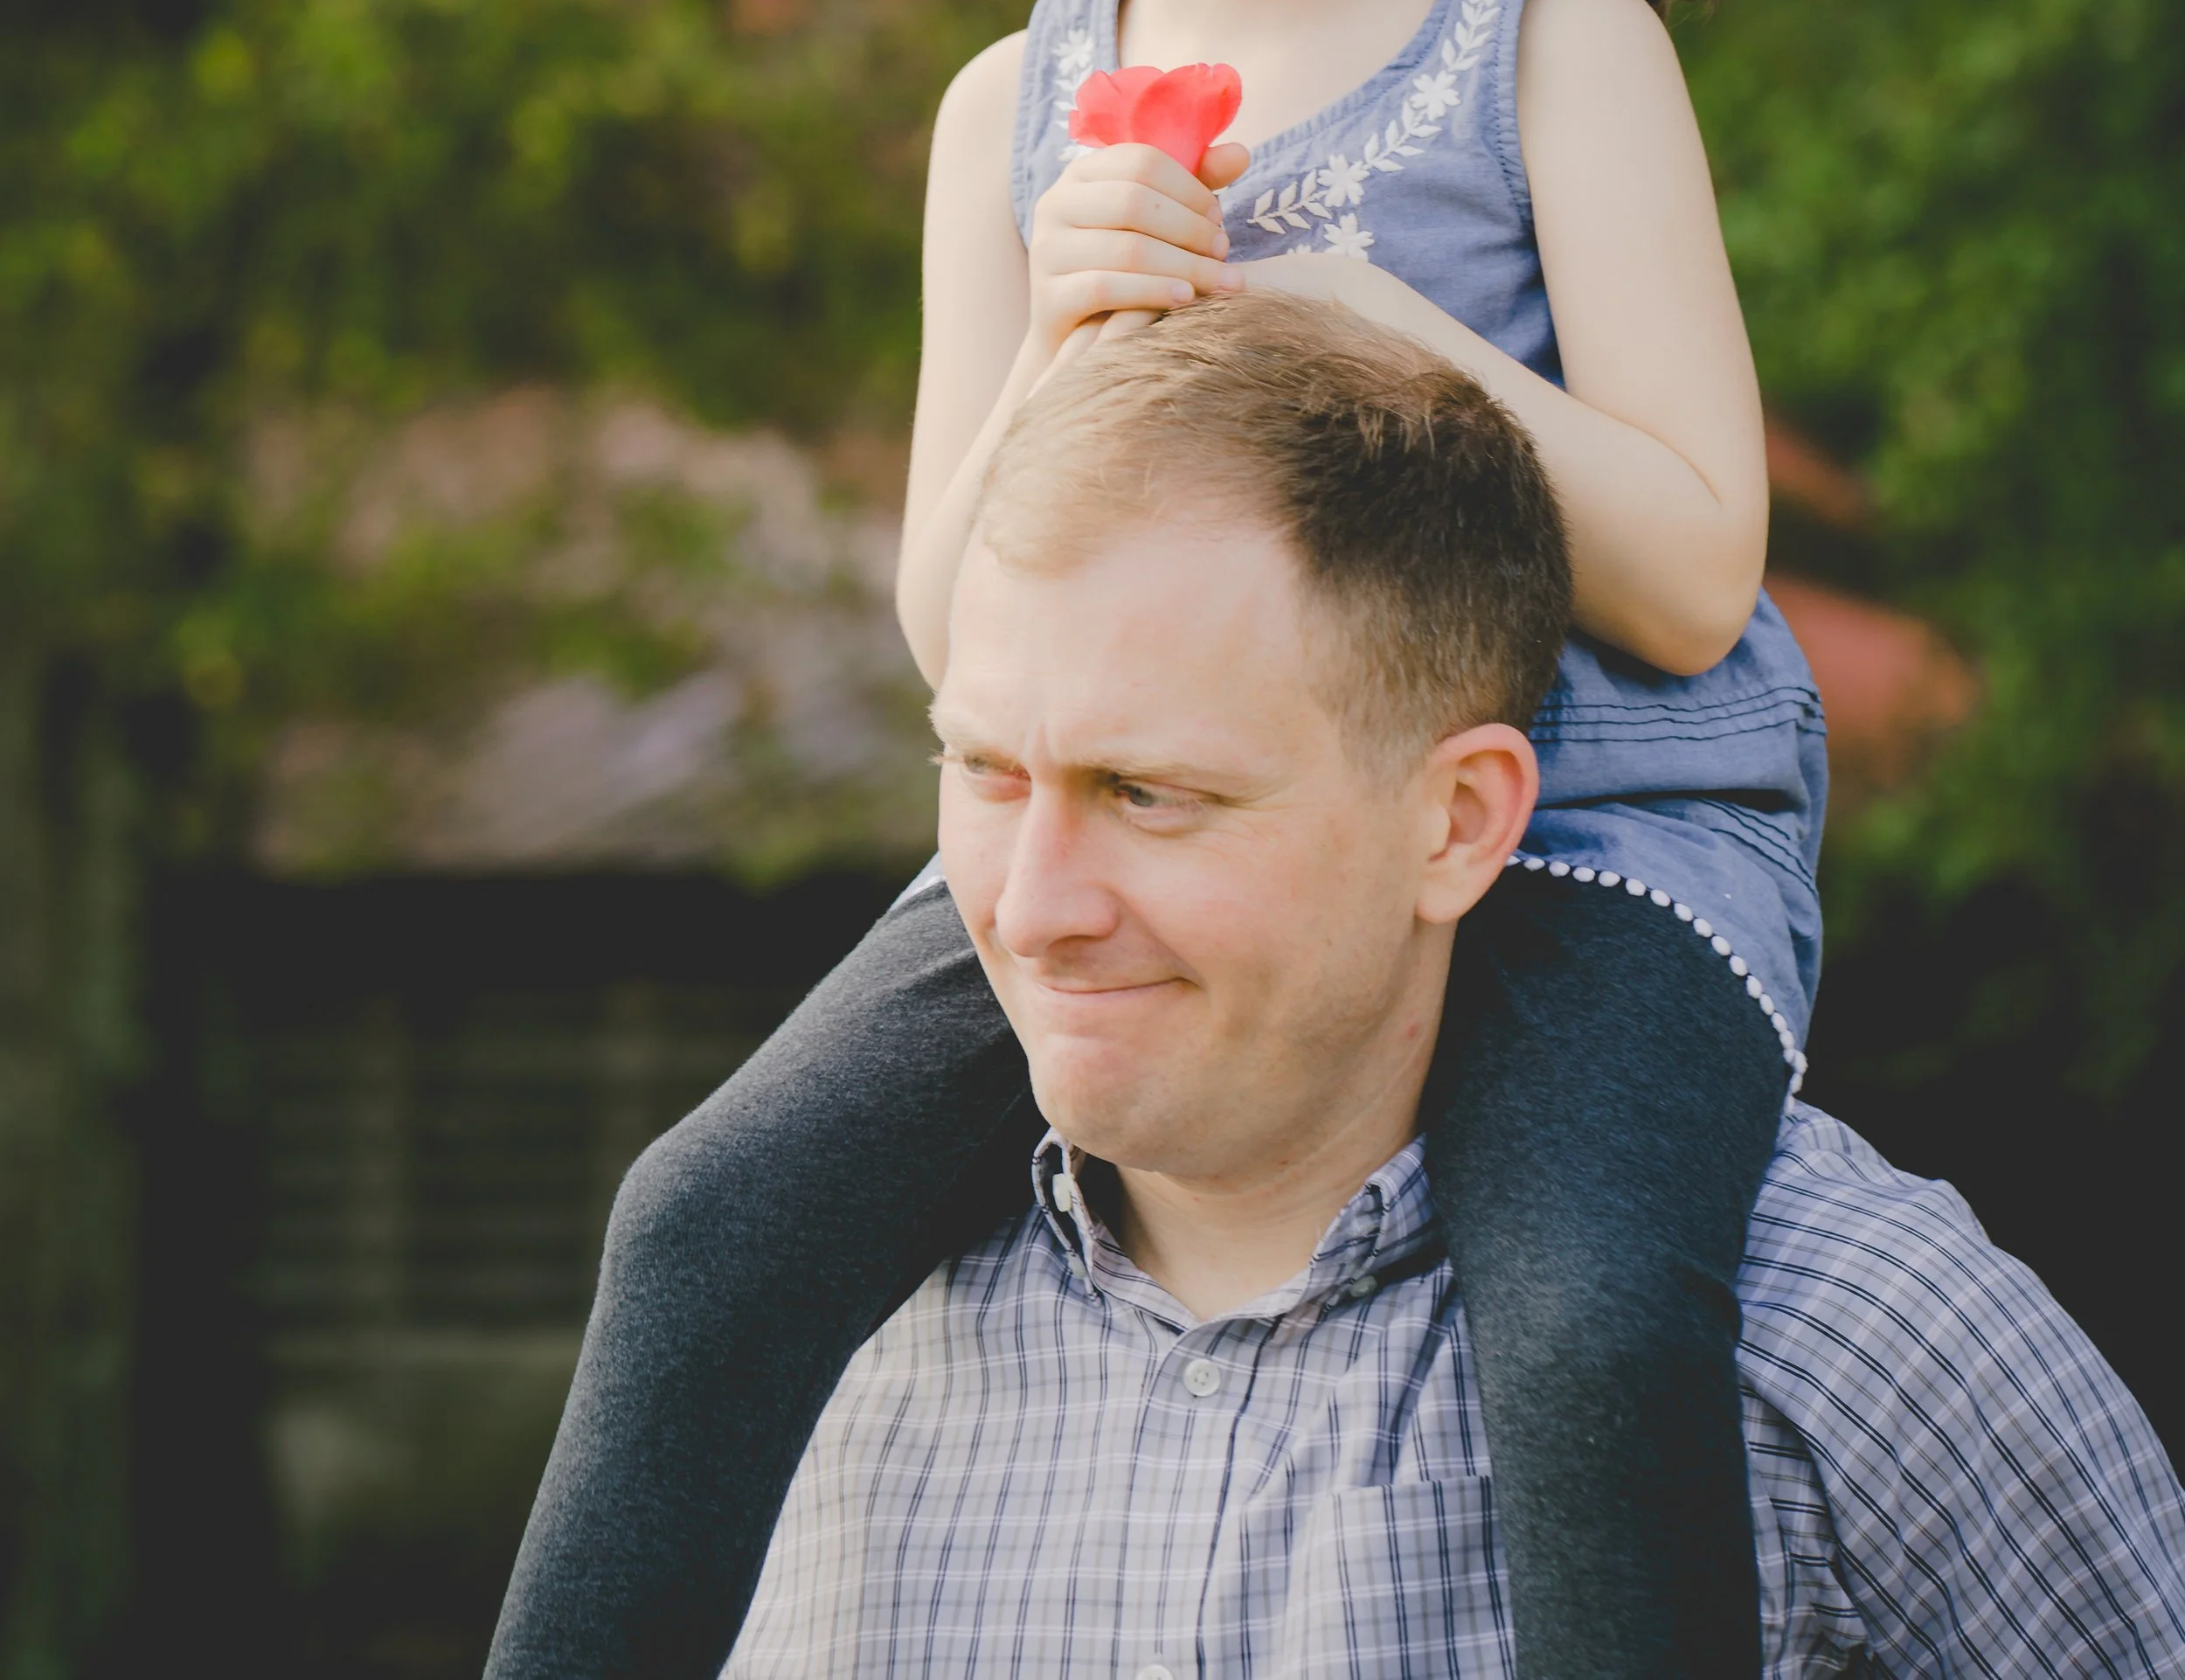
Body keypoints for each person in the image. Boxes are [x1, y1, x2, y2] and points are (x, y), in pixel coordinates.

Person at [487, 0, 1839, 1680]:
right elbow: (947, 615)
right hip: (1122, 814)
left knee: (1589, 1327)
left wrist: (1378, 328)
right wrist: (1073, 348)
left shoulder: (1546, 40)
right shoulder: (1009, 116)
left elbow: (1684, 564)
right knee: (697, 1220)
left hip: (1586, 834)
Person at [729, 295, 2185, 1677]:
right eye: (985, 770)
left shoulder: (1858, 1338)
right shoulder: (802, 1344)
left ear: (1459, 821)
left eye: (1151, 793)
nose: (1033, 910)